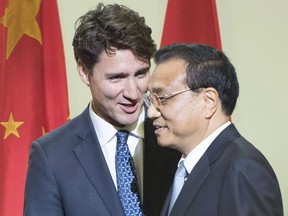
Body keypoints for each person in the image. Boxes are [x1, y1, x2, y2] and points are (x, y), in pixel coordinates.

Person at [24, 3, 180, 216]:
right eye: (117, 78)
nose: (133, 93)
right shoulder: (52, 156)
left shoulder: (179, 137)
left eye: (141, 74)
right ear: (84, 72)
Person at [145, 43, 283, 216]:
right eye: (150, 99)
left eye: (162, 98)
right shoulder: (183, 168)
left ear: (208, 101)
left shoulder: (243, 170)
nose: (150, 112)